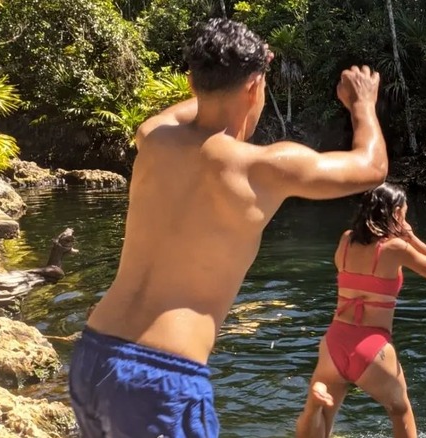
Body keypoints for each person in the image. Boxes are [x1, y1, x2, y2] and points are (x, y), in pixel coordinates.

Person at [68, 17, 388, 438]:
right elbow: (372, 167)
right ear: (255, 87)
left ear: (191, 83)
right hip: (161, 377)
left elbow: (194, 109)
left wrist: (229, 80)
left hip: (94, 357)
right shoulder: (259, 168)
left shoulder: (154, 138)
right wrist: (363, 105)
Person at [295, 183, 426, 438]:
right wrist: (410, 237)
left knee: (324, 413)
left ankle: (313, 408)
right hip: (372, 345)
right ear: (397, 214)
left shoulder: (346, 241)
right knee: (399, 409)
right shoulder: (395, 248)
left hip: (335, 340)